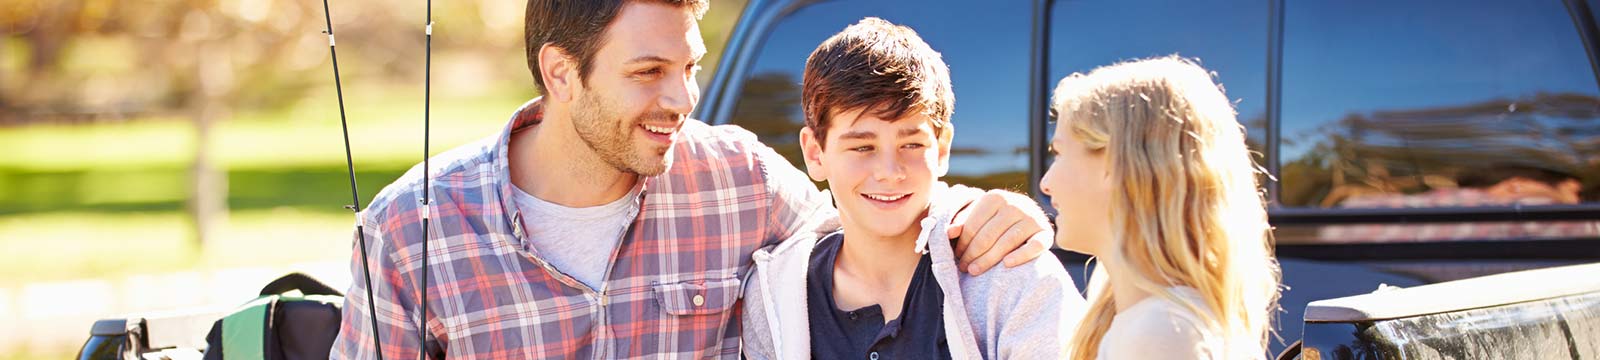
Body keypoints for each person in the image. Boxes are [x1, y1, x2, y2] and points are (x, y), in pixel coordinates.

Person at [329, 1, 1056, 358]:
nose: (683, 100)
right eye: (649, 72)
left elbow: (874, 208)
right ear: (561, 73)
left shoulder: (739, 179)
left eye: (689, 67)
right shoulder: (407, 232)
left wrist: (986, 208)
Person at [740, 18, 1083, 360]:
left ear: (943, 147)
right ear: (815, 153)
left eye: (912, 144)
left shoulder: (1009, 276)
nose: (890, 172)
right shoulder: (775, 298)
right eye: (862, 147)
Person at [1039, 56, 1282, 359]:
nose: (1045, 183)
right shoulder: (1158, 321)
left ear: (1114, 163)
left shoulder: (1160, 334)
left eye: (1059, 154)